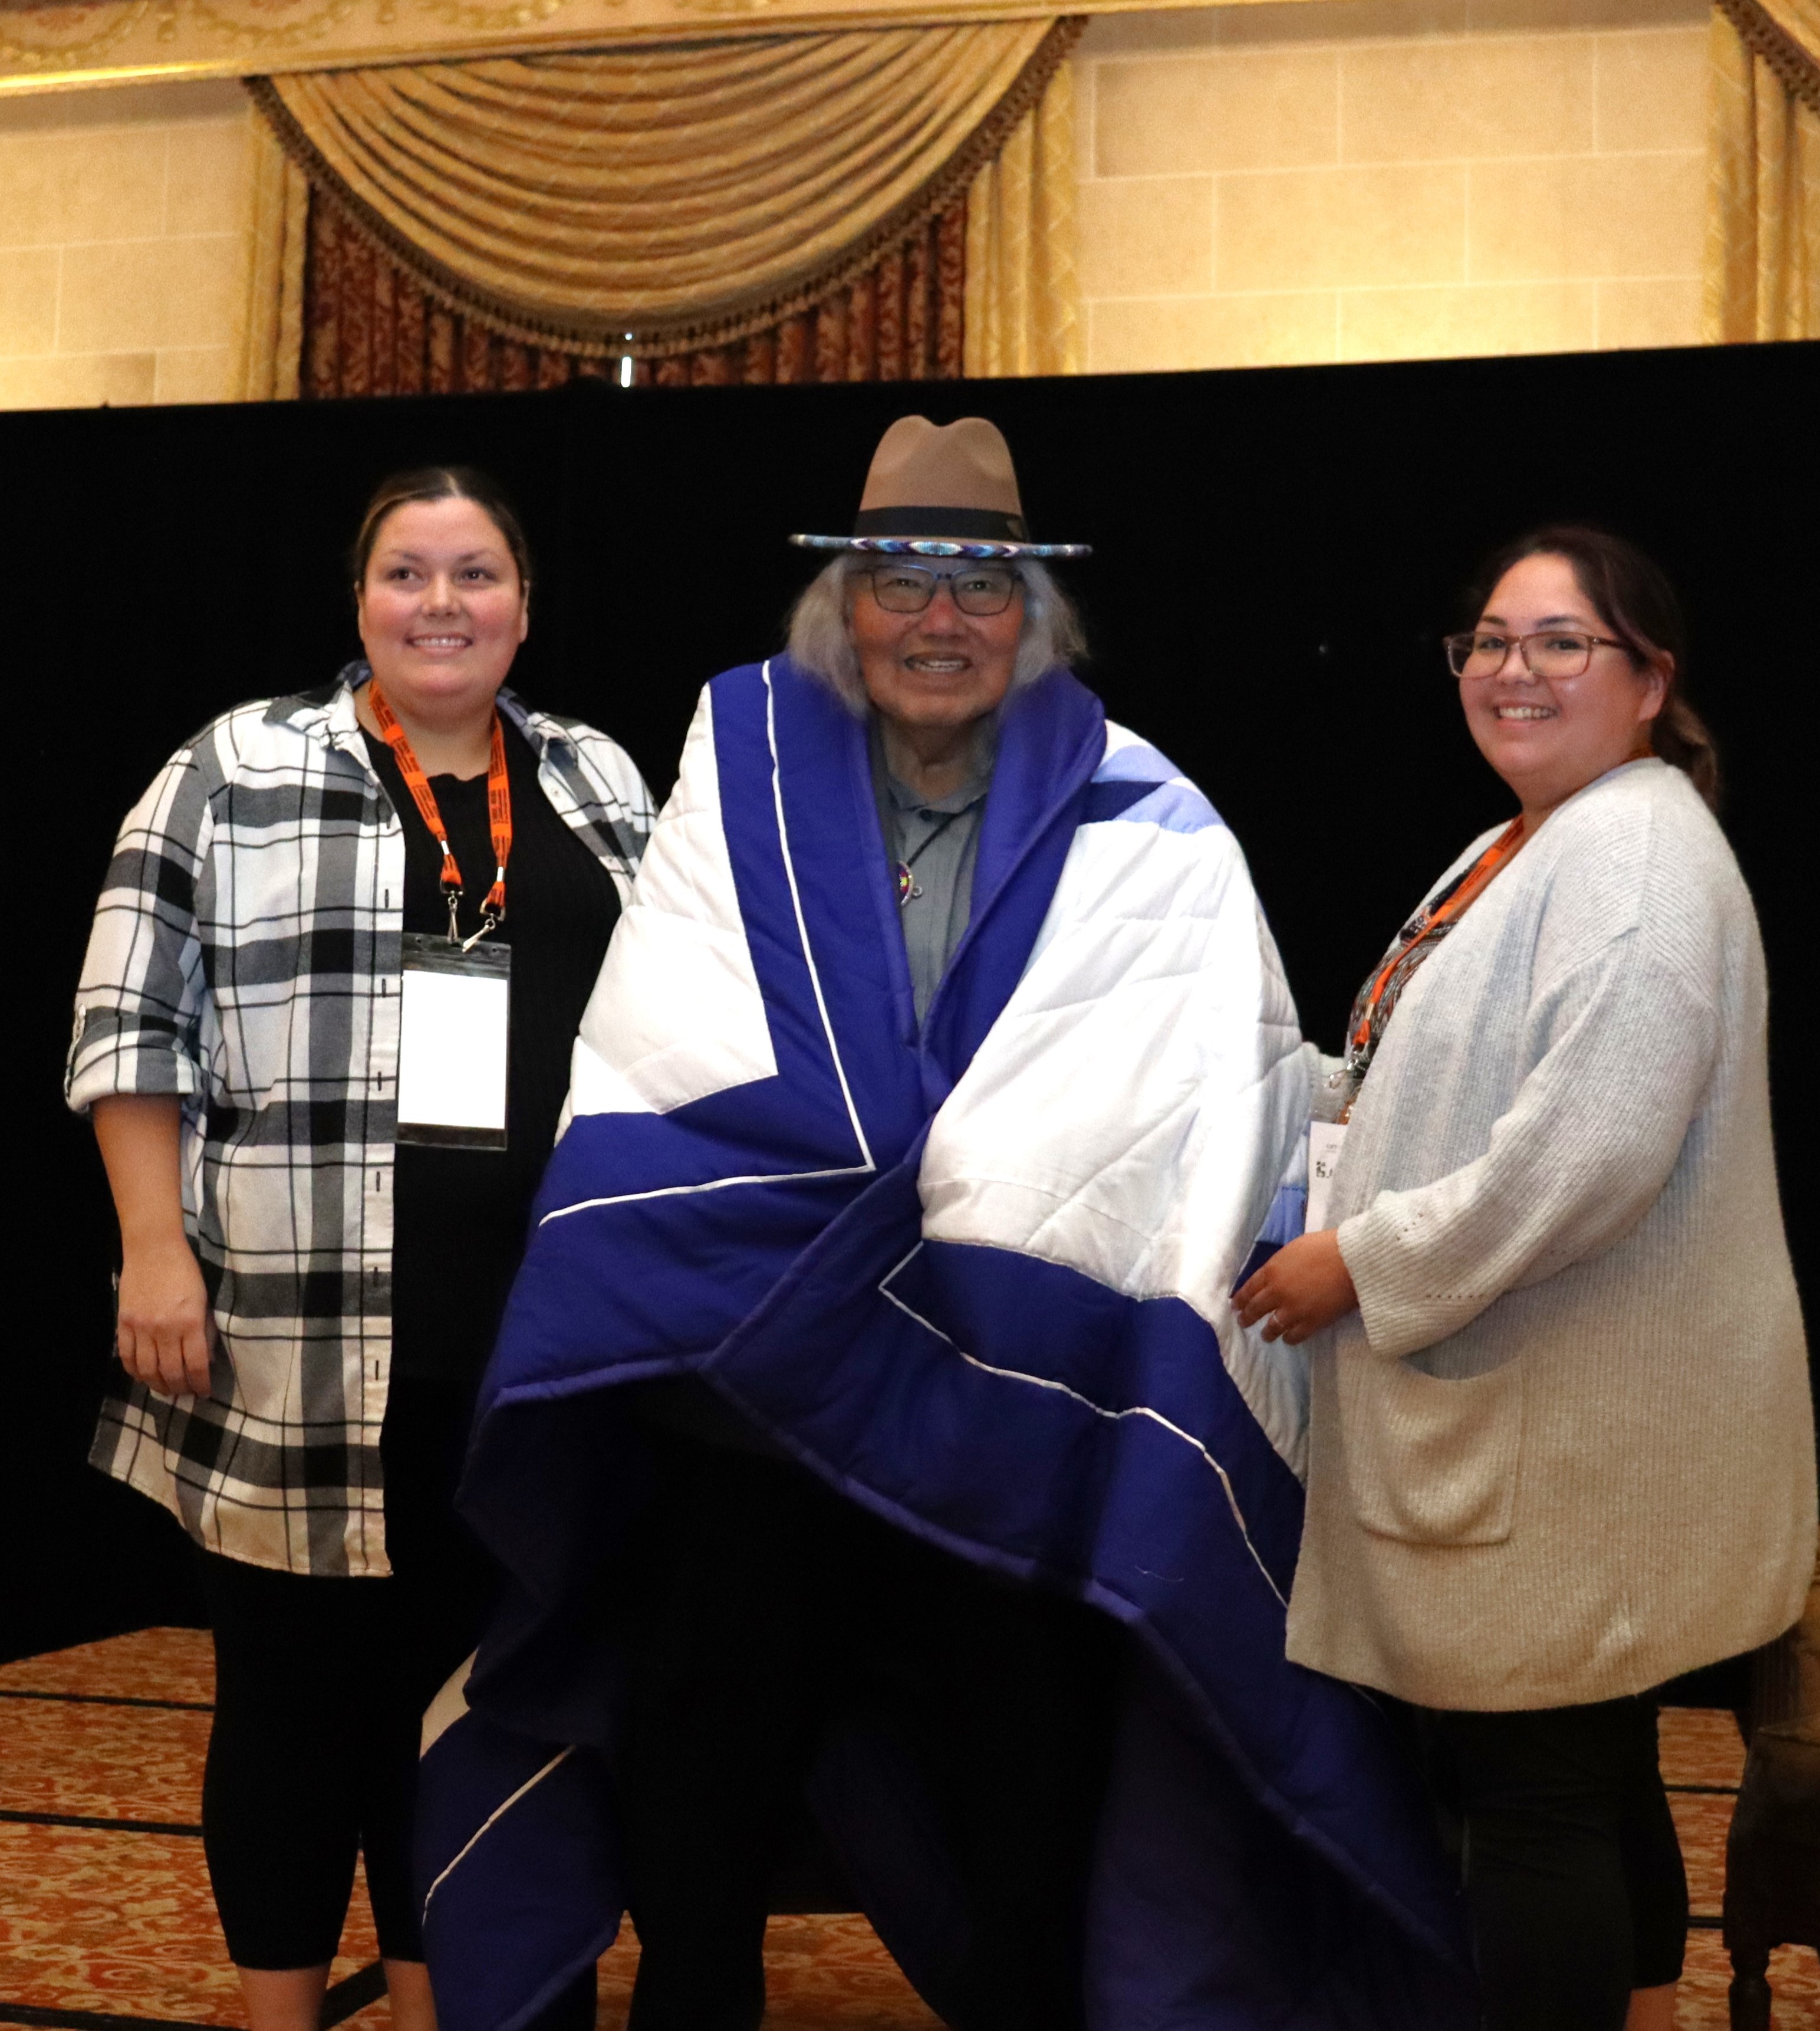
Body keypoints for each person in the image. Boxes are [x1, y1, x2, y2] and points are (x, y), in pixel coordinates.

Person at [413, 418, 1479, 2031]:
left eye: (980, 586)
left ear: (1035, 616)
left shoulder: (1153, 822)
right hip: (754, 1403)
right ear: (845, 605)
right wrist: (865, 1168)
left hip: (1003, 1415)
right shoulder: (744, 765)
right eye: (900, 580)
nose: (938, 618)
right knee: (701, 1787)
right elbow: (670, 1038)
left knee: (1026, 1794)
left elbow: (1212, 1086)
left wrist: (986, 1171)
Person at [67, 467, 653, 2031]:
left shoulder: (599, 779)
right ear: (359, 601)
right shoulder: (234, 767)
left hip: (539, 1342)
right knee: (290, 1699)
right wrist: (151, 1251)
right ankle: (276, 2014)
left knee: (471, 1701)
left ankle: (430, 1997)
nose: (443, 604)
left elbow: (678, 1043)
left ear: (526, 604)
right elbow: (129, 1024)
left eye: (477, 574)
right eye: (409, 573)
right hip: (290, 1329)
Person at [1235, 526, 1816, 2031]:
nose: (1512, 670)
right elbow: (1405, 1077)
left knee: (1535, 1800)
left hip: (1578, 1431)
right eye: (1488, 642)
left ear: (1648, 681)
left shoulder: (1629, 856)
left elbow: (1586, 1153)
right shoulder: (1536, 835)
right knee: (1577, 1773)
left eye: (1561, 642)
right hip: (1554, 1412)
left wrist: (1354, 1263)